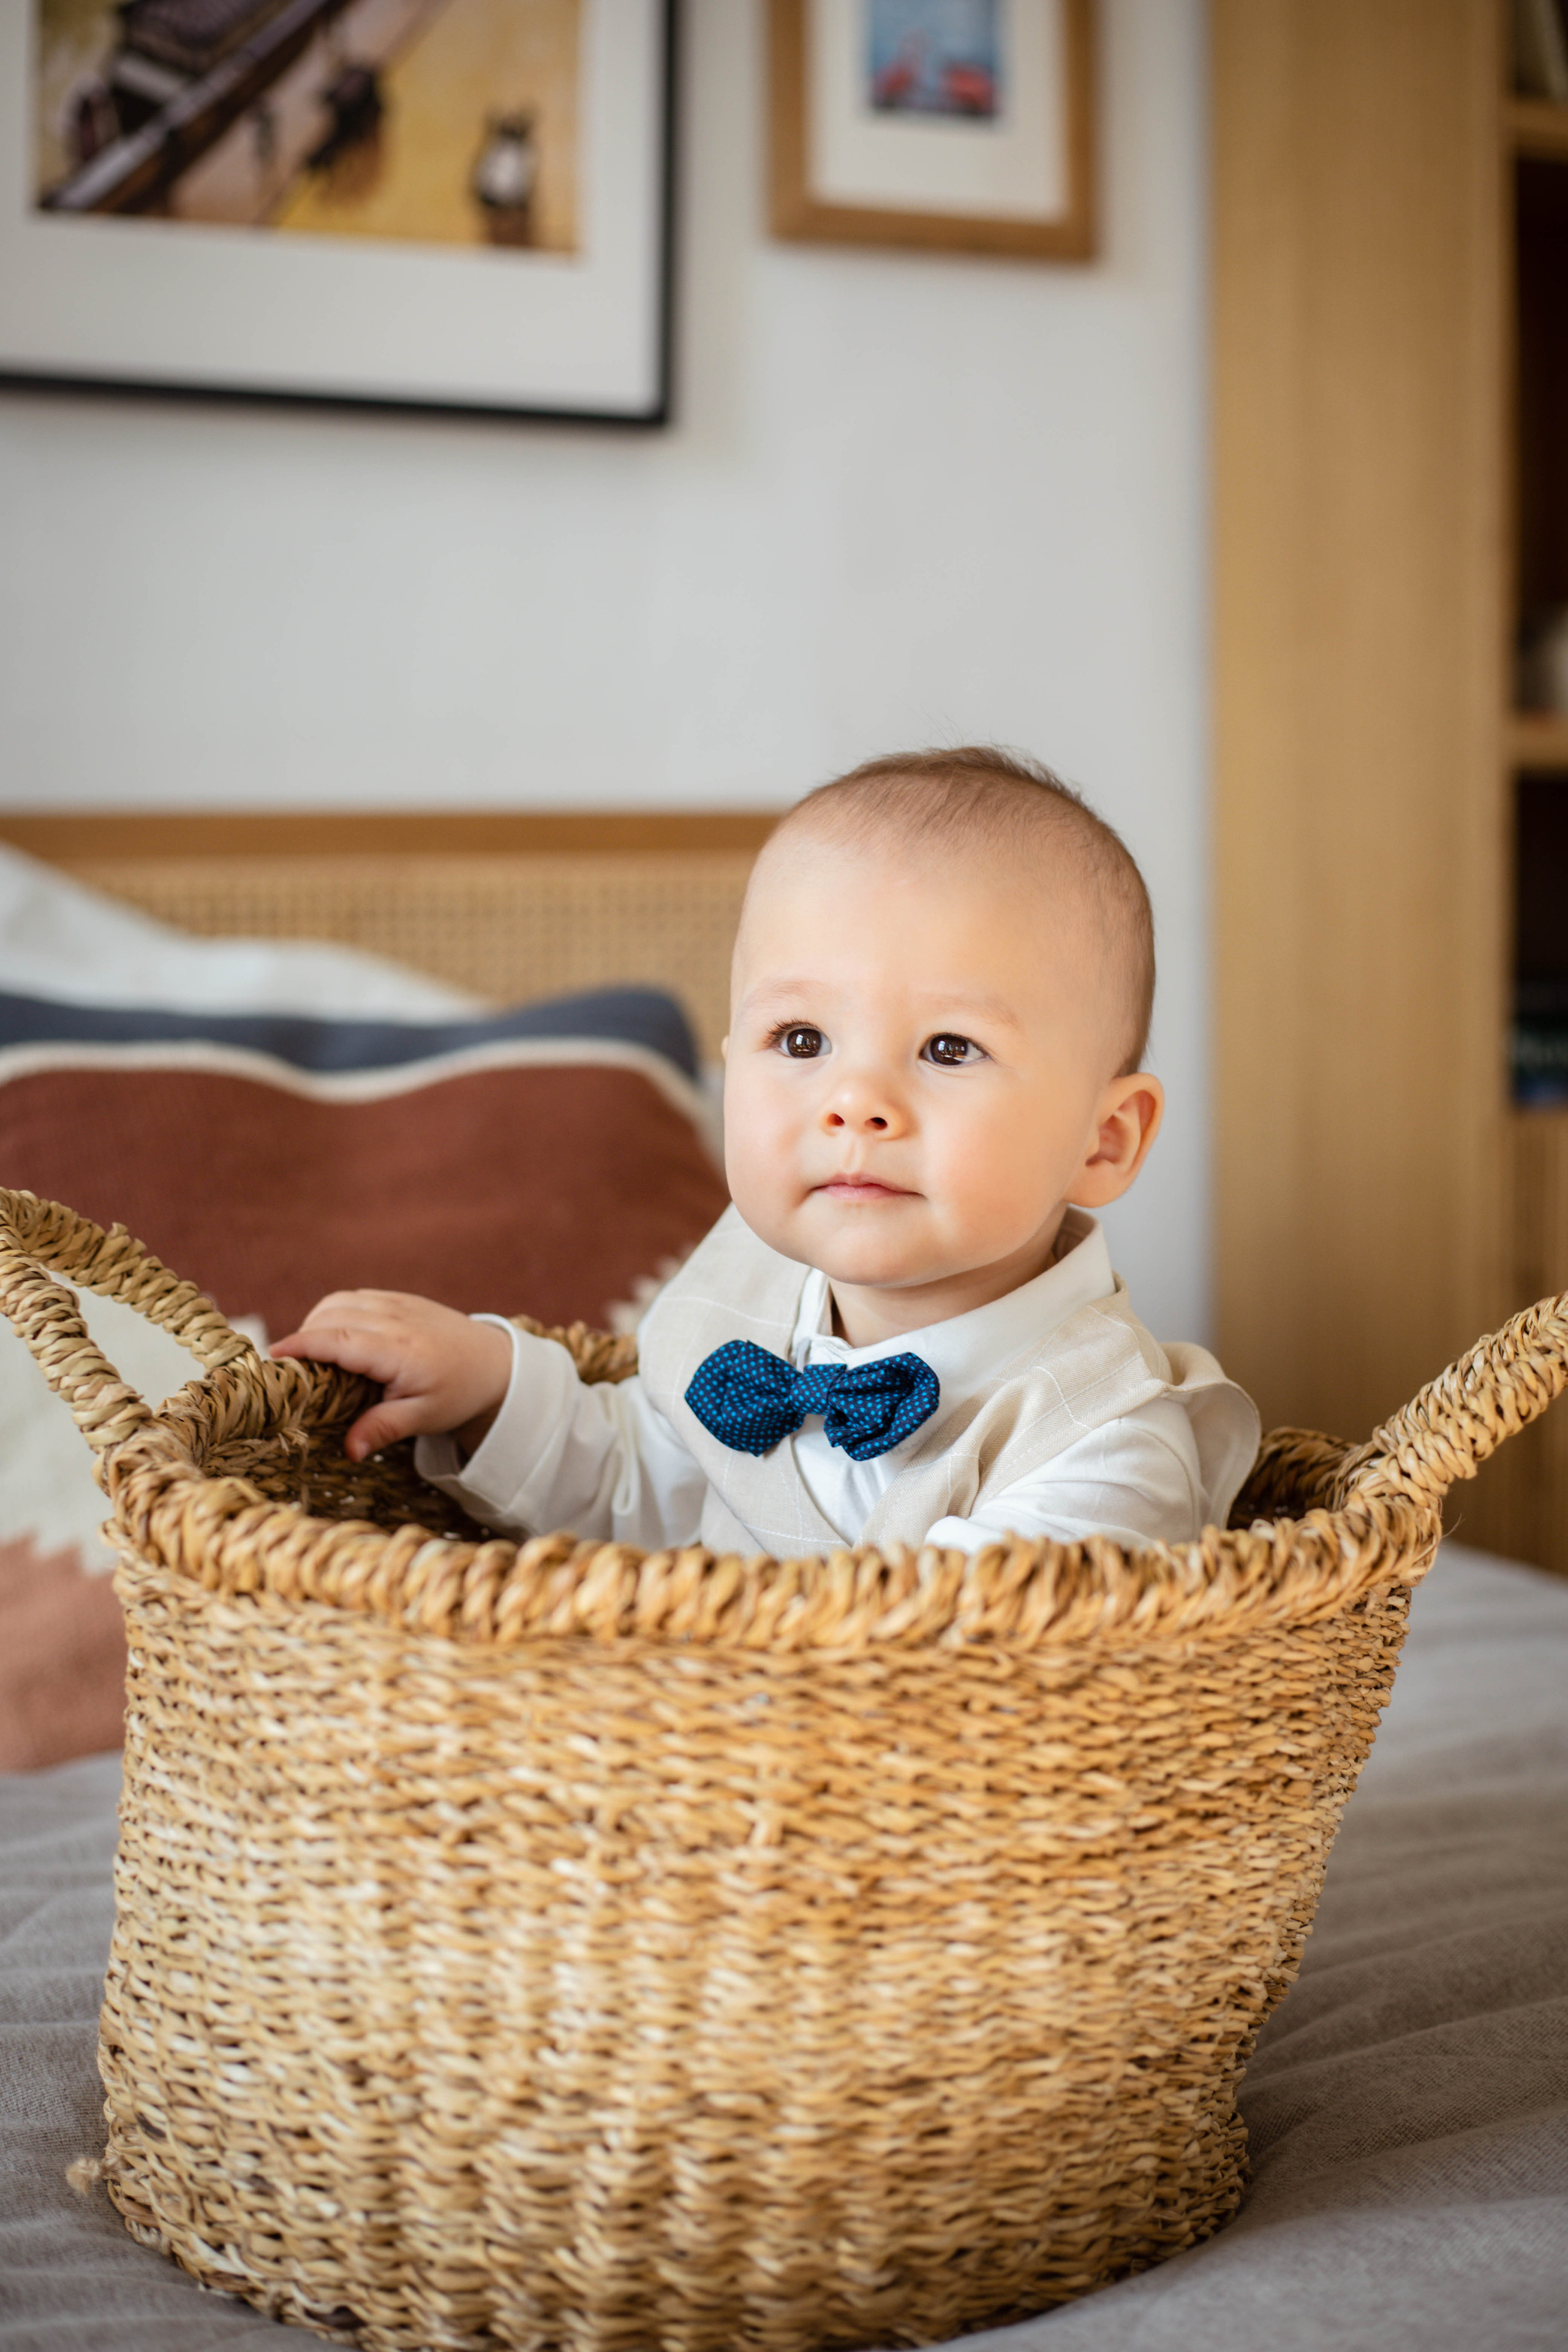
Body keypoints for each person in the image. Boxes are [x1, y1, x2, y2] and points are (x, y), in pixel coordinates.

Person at [272, 749, 1259, 1557]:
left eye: (948, 1049)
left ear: (1105, 1140)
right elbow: (641, 1494)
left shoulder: (1105, 1440)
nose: (855, 1103)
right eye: (801, 1040)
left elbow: (958, 1682)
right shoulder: (742, 1288)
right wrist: (490, 1384)